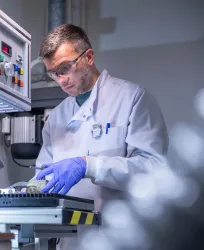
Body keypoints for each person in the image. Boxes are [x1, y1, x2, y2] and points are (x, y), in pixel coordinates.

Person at [33, 24, 169, 249]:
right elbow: (44, 174)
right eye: (53, 73)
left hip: (121, 237)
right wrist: (29, 190)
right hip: (70, 240)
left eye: (65, 68)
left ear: (88, 57)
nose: (61, 80)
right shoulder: (56, 117)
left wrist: (91, 166)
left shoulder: (132, 98)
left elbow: (153, 168)